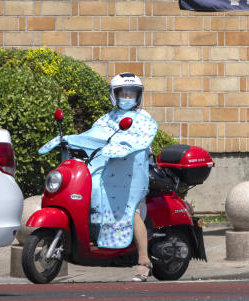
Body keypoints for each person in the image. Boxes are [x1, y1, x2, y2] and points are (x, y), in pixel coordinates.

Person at [39, 72, 159, 281]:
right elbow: (91, 137)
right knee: (89, 191)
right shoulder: (107, 118)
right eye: (123, 92)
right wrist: (68, 140)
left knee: (132, 211)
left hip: (132, 176)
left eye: (132, 93)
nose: (128, 96)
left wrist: (121, 147)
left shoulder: (144, 119)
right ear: (114, 94)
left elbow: (137, 141)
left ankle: (143, 261)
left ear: (139, 95)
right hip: (107, 171)